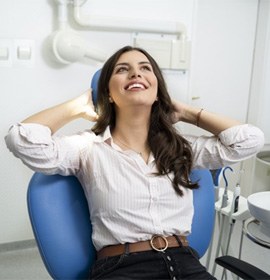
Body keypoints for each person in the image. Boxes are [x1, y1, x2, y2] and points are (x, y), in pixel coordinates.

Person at [5, 45, 264, 280]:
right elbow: (22, 140)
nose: (135, 74)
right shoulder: (87, 147)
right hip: (123, 268)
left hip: (187, 266)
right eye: (122, 69)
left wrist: (187, 113)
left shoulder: (182, 148)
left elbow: (249, 140)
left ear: (157, 90)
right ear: (107, 92)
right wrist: (77, 106)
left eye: (145, 69)